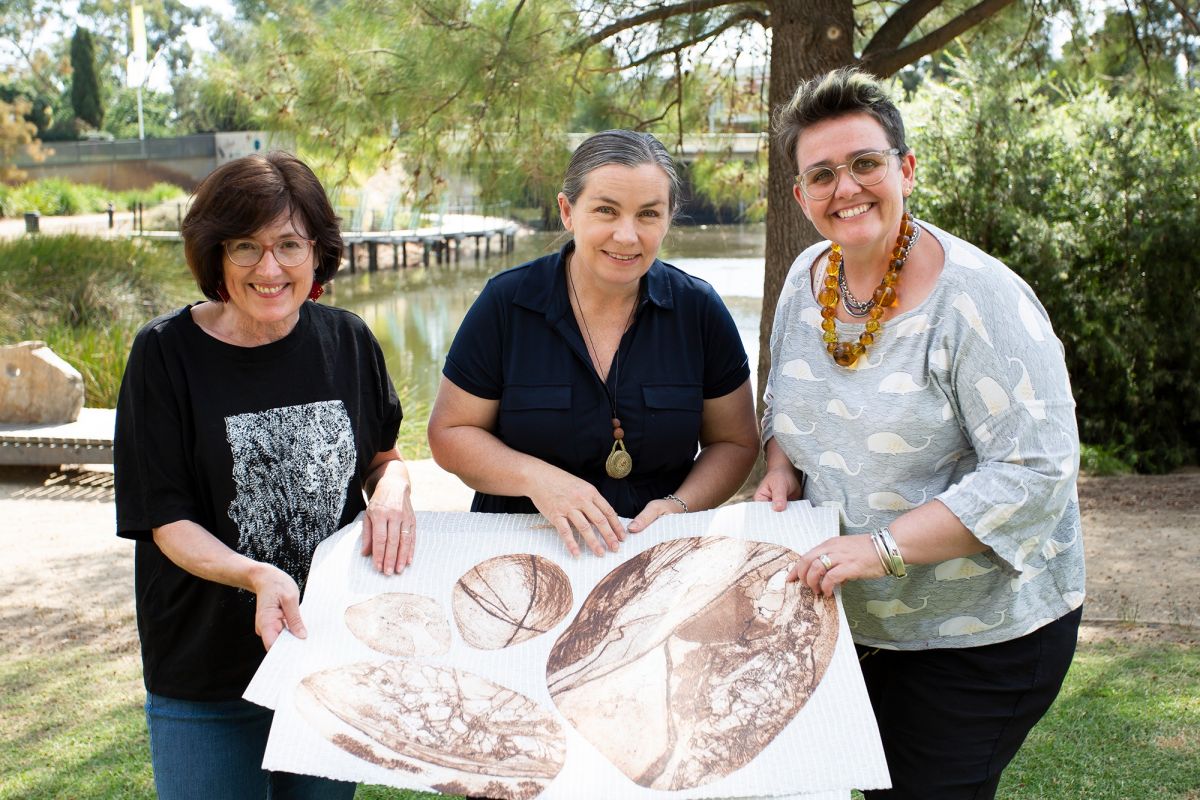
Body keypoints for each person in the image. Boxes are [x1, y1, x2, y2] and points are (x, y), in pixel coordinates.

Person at [755, 68, 1085, 799]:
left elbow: (1037, 472)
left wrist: (882, 548)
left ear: (904, 167)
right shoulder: (806, 276)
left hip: (979, 637)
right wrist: (780, 462)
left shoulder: (978, 298)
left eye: (865, 163)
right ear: (801, 195)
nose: (846, 188)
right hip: (858, 627)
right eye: (822, 174)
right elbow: (784, 397)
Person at [114, 151, 416, 800]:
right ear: (215, 256)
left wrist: (393, 489)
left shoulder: (350, 341)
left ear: (318, 253)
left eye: (288, 244)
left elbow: (381, 457)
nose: (269, 267)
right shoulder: (163, 354)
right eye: (246, 246)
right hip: (206, 672)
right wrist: (254, 574)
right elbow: (165, 518)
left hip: (327, 657)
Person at [428, 129, 759, 557]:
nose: (627, 236)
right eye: (606, 210)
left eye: (648, 214)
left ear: (669, 216)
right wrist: (537, 478)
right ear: (568, 211)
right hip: (517, 551)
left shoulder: (699, 309)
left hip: (655, 554)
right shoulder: (506, 303)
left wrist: (682, 505)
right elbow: (450, 433)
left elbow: (734, 442)